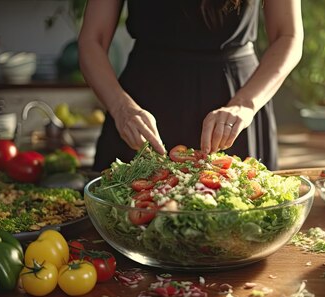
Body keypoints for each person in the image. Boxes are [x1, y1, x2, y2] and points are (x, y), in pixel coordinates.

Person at [78, 0, 303, 171]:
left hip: (239, 101)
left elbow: (288, 35)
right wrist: (120, 107)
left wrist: (244, 104)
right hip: (142, 101)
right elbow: (92, 40)